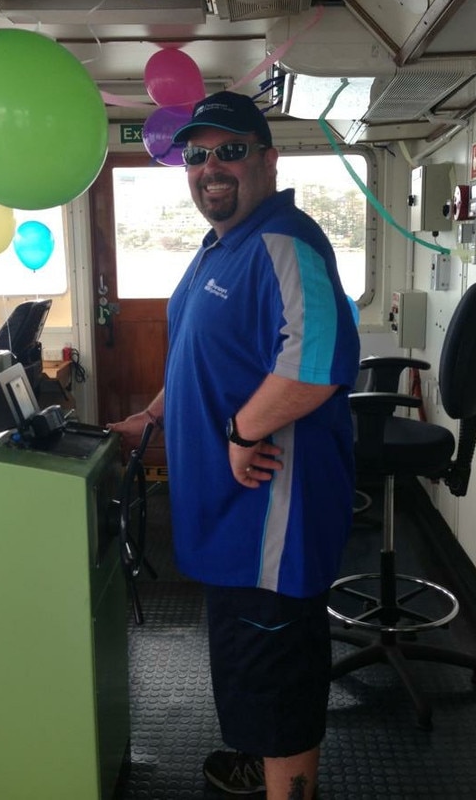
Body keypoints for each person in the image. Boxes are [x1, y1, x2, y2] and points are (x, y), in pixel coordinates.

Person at [109, 90, 359, 800]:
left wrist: (243, 429)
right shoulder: (219, 247)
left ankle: (284, 776)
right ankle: (259, 759)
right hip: (229, 526)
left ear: (268, 159)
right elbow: (198, 355)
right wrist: (150, 417)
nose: (210, 167)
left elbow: (316, 364)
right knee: (249, 669)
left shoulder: (286, 239)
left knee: (279, 684)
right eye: (197, 155)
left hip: (270, 529)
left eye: (230, 150)